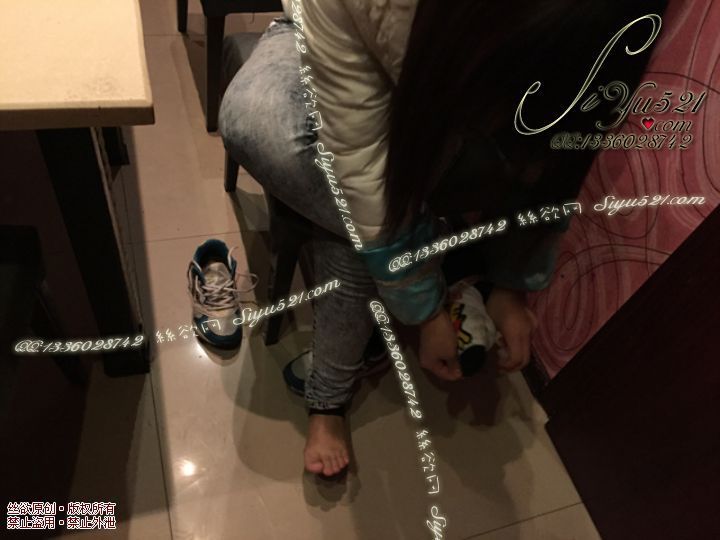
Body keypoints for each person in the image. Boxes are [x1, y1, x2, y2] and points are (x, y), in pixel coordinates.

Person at [215, 0, 665, 477]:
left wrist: (513, 284)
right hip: (323, 45)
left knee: (357, 226)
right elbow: (364, 173)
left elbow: (551, 157)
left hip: (443, 96)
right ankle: (435, 270)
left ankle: (329, 395)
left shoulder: (599, 35)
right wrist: (427, 308)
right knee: (271, 135)